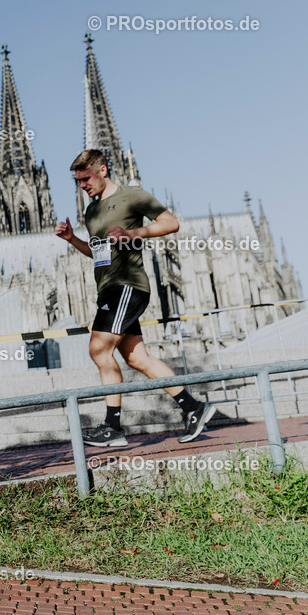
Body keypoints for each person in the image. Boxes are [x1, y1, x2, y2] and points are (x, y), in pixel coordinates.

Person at [56, 149, 214, 446]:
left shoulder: (133, 196)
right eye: (78, 181)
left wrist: (133, 233)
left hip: (127, 284)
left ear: (102, 170)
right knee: (137, 358)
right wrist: (72, 239)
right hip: (108, 287)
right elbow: (97, 251)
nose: (82, 185)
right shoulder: (91, 211)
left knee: (99, 350)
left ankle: (113, 427)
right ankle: (194, 408)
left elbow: (170, 223)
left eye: (85, 178)